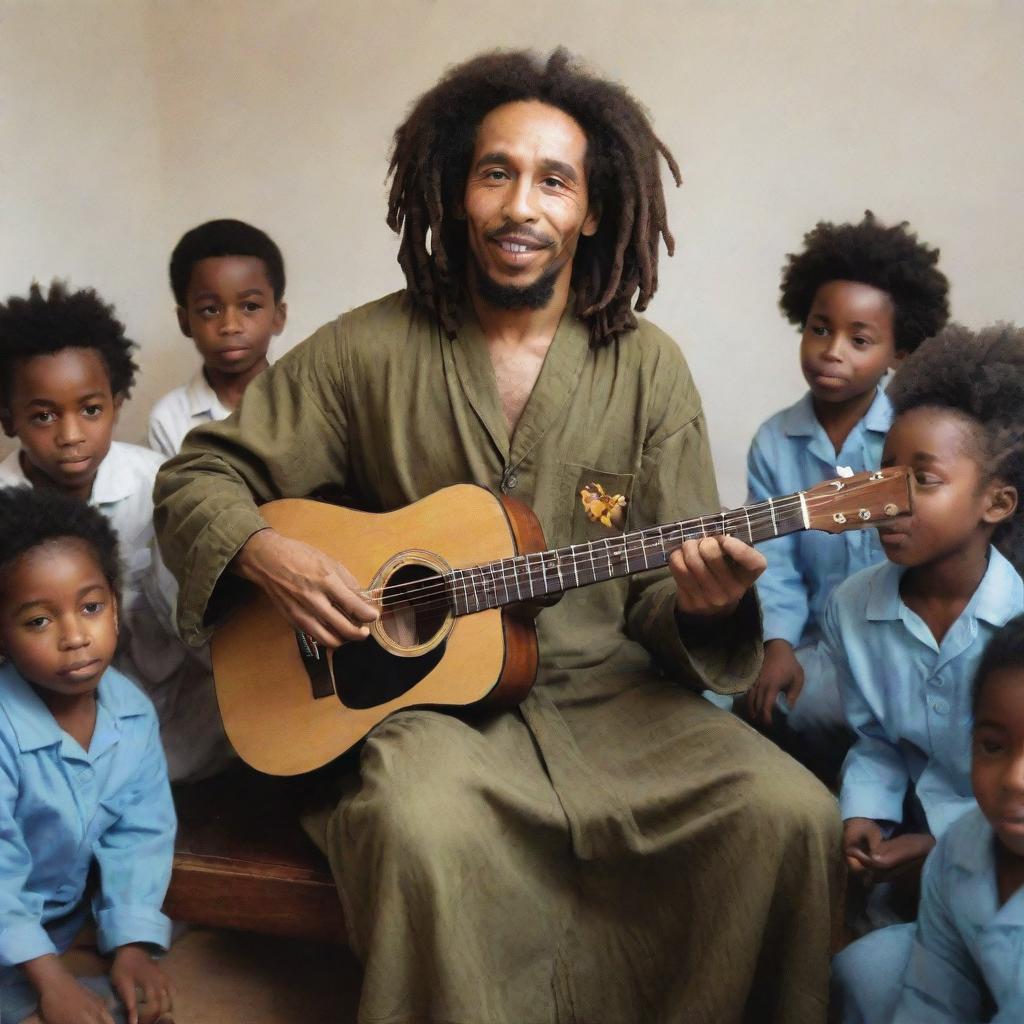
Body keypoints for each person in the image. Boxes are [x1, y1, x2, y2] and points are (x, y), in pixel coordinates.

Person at [154, 48, 841, 1023]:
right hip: (425, 718)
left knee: (789, 813)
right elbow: (197, 475)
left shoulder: (649, 371)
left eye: (553, 180)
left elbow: (660, 599)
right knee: (419, 828)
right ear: (454, 190)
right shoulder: (365, 349)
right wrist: (267, 551)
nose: (522, 204)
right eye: (496, 172)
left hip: (615, 704)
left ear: (592, 210)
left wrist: (704, 605)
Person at [739, 213, 950, 780]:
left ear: (898, 353)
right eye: (819, 329)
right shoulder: (774, 442)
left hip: (902, 644)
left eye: (859, 340)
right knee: (728, 702)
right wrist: (777, 644)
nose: (832, 351)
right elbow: (775, 564)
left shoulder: (912, 437)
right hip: (816, 645)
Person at [826, 324, 1024, 911]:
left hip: (1008, 849)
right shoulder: (851, 607)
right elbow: (878, 739)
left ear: (997, 502)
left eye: (923, 479)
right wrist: (865, 810)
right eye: (885, 471)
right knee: (858, 973)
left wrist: (944, 848)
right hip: (907, 841)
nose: (888, 495)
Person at [0, 280, 229, 781]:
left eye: (90, 409)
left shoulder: (158, 484)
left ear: (118, 401)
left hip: (169, 716)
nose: (71, 435)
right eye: (43, 415)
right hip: (42, 726)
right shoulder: (4, 504)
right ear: (8, 418)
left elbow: (196, 621)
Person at [0, 486, 175, 1024]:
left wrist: (131, 946)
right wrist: (50, 978)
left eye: (91, 607)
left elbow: (140, 833)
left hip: (59, 916)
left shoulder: (132, 712)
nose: (75, 636)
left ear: (117, 608)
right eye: (38, 621)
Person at [833, 614, 1024, 1023]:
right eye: (992, 746)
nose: (1014, 780)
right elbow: (933, 996)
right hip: (987, 979)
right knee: (864, 971)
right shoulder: (958, 851)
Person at [148, 219, 287, 460]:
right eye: (210, 310)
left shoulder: (303, 403)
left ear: (278, 316)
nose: (230, 326)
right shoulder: (169, 418)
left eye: (250, 306)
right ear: (184, 321)